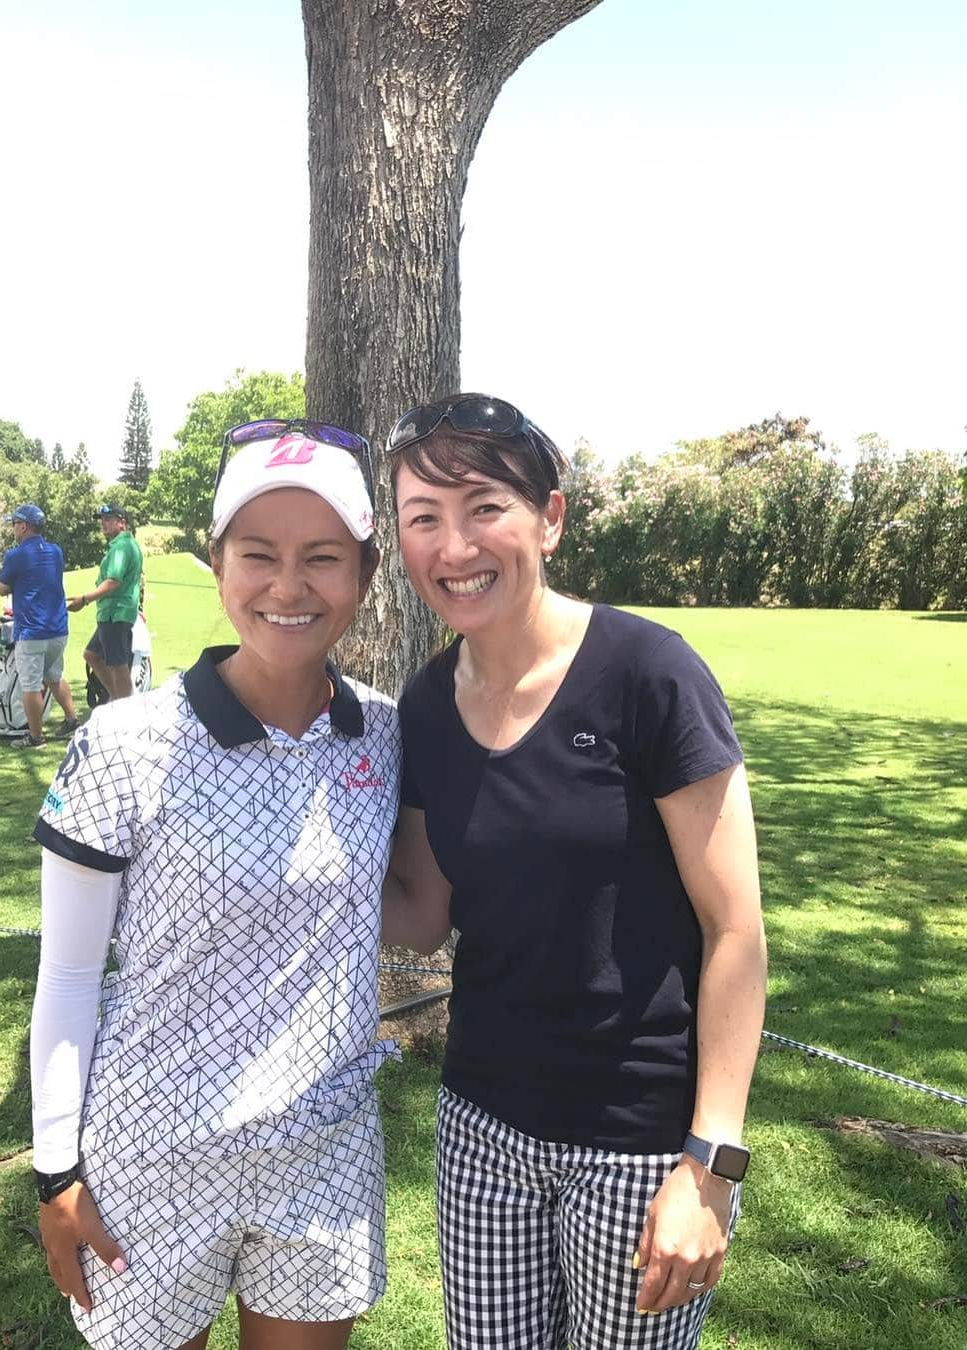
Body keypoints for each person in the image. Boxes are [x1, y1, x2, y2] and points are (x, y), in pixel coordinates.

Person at [381, 394, 767, 1350]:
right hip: (482, 1129)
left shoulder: (648, 673)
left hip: (638, 1146)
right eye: (424, 517)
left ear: (550, 519)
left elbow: (736, 930)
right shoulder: (426, 704)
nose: (455, 544)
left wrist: (709, 1166)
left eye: (483, 507)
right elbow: (424, 914)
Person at [30, 420, 400, 1350]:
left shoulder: (389, 736)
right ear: (217, 561)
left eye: (322, 558)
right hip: (149, 1157)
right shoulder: (124, 741)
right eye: (258, 554)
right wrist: (54, 1173)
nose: (288, 586)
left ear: (364, 570)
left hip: (323, 1154)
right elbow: (70, 977)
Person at [0, 502, 79, 748]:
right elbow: (35, 571)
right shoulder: (55, 551)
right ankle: (72, 720)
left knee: (31, 685)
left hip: (32, 631)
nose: (13, 529)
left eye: (14, 524)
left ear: (24, 526)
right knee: (54, 677)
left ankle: (35, 738)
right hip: (58, 629)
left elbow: (3, 588)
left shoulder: (15, 554)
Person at [67, 504, 144, 700]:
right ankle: (116, 700)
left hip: (115, 613)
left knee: (118, 665)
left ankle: (125, 708)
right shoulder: (127, 545)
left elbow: (113, 582)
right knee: (91, 655)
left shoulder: (121, 547)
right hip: (114, 613)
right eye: (102, 519)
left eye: (109, 519)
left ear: (122, 523)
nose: (103, 523)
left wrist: (84, 599)